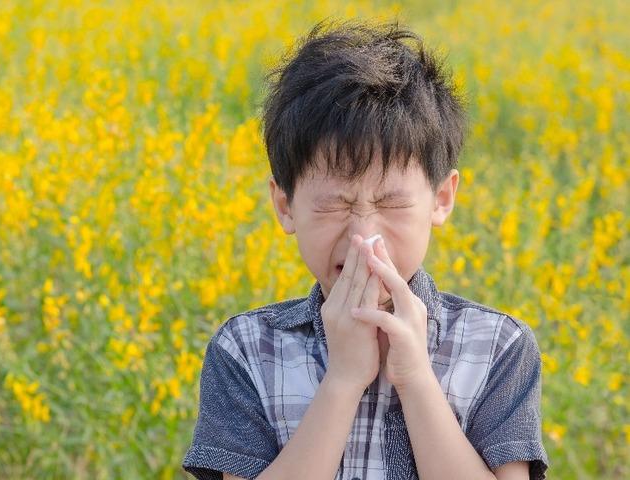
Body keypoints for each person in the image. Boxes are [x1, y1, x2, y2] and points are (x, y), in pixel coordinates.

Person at [181, 18, 549, 480]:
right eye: (334, 204)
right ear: (285, 206)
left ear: (441, 198)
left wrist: (416, 379)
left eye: (391, 202)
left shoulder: (497, 347)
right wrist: (343, 380)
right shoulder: (247, 350)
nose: (364, 237)